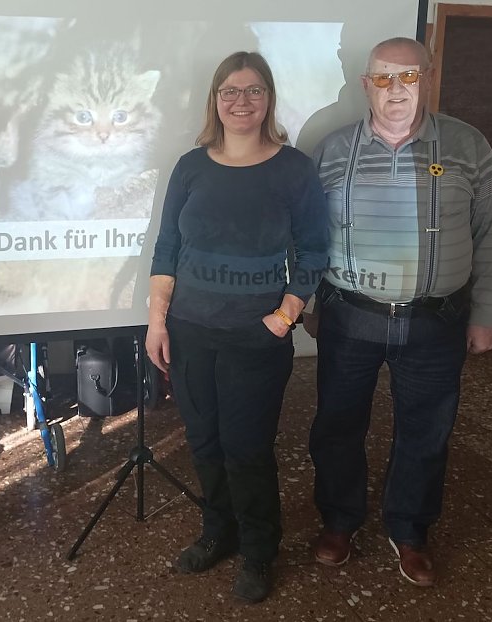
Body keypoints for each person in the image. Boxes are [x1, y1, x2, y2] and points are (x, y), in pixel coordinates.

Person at [306, 37, 492, 587]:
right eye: (382, 78)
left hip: (435, 321)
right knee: (338, 425)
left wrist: (487, 313)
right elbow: (306, 235)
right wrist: (304, 304)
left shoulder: (468, 145)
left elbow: (491, 236)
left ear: (427, 77)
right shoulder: (330, 148)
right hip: (349, 316)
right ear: (366, 83)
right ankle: (340, 521)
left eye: (407, 77)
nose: (395, 89)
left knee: (425, 431)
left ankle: (410, 530)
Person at [145, 51, 328, 603]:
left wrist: (284, 317)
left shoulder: (292, 168)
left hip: (257, 336)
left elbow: (316, 248)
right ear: (215, 100)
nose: (240, 101)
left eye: (252, 91)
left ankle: (257, 550)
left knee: (247, 448)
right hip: (191, 328)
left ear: (268, 98)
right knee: (204, 442)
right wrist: (158, 321)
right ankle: (217, 532)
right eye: (230, 91)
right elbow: (168, 247)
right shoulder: (191, 165)